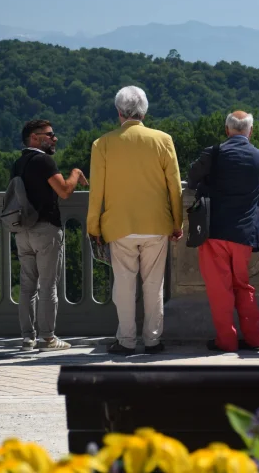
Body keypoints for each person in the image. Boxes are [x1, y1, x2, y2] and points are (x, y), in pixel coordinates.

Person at [87, 86, 183, 356]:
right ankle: (153, 341)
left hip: (119, 226)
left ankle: (126, 341)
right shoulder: (163, 140)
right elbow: (174, 187)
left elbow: (97, 192)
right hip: (156, 224)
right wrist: (178, 223)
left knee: (125, 285)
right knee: (154, 285)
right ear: (144, 111)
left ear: (119, 112)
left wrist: (94, 226)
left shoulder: (102, 144)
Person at [187, 111, 259, 352]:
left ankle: (226, 341)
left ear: (227, 130)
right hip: (244, 234)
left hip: (213, 231)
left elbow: (192, 178)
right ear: (251, 131)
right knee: (242, 285)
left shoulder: (213, 153)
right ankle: (255, 338)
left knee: (220, 289)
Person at [13, 120, 88, 352]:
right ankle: (48, 339)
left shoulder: (18, 163)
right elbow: (64, 191)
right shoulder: (44, 161)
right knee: (47, 286)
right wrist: (75, 173)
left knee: (27, 287)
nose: (55, 139)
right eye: (50, 135)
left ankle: (27, 338)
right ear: (35, 138)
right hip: (45, 229)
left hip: (22, 230)